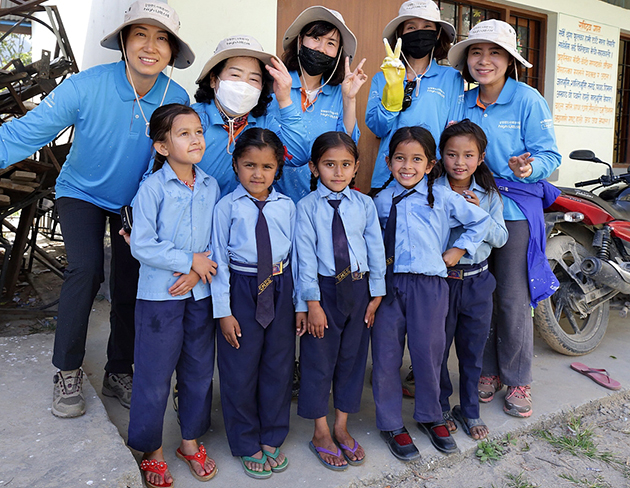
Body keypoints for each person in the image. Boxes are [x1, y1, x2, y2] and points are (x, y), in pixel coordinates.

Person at [0, 0, 193, 418]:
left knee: (132, 280)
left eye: (162, 38)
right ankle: (67, 369)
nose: (150, 46)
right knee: (85, 270)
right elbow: (26, 133)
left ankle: (119, 370)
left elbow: (173, 162)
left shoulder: (176, 99)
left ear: (172, 51)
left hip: (134, 201)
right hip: (81, 192)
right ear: (123, 41)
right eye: (140, 34)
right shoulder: (86, 86)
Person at [448, 19, 562, 418]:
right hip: (471, 209)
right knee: (480, 294)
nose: (484, 61)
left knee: (512, 298)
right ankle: (488, 372)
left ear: (509, 60)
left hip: (513, 211)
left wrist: (527, 168)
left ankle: (518, 379)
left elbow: (550, 155)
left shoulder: (528, 99)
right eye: (477, 52)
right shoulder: (462, 102)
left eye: (494, 53)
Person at [372, 126, 491, 461]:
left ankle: (430, 415)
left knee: (428, 354)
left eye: (416, 159)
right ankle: (391, 423)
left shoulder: (443, 197)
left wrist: (458, 250)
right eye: (400, 158)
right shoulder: (379, 201)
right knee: (386, 356)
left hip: (430, 286)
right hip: (389, 285)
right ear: (388, 161)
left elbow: (480, 222)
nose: (407, 166)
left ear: (430, 165)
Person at [128, 104, 218, 488]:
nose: (195, 139)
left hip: (200, 293)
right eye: (184, 134)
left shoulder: (211, 186)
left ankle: (189, 442)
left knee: (198, 372)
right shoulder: (152, 189)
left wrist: (197, 270)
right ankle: (152, 450)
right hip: (158, 297)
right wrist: (187, 261)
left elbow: (216, 240)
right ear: (162, 147)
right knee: (154, 376)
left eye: (198, 131)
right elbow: (142, 245)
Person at [294, 132, 385, 469]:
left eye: (346, 164)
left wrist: (376, 294)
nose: (338, 172)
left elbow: (375, 249)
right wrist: (311, 304)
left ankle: (341, 426)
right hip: (324, 291)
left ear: (356, 167)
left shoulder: (364, 205)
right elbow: (304, 258)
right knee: (318, 360)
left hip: (359, 290)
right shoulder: (305, 207)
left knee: (353, 359)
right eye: (329, 164)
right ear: (314, 167)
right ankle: (320, 431)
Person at [211, 128, 296, 479]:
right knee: (239, 369)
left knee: (279, 365)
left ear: (278, 169)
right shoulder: (226, 208)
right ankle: (246, 440)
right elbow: (218, 260)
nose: (258, 174)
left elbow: (297, 255)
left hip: (279, 285)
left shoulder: (287, 207)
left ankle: (272, 434)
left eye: (267, 167)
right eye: (249, 165)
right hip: (241, 288)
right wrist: (223, 311)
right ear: (235, 165)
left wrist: (300, 303)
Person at [435, 120, 508, 440]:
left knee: (471, 352)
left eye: (468, 155)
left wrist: (481, 215)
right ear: (441, 155)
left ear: (480, 158)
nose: (459, 162)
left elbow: (501, 238)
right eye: (452, 154)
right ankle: (439, 406)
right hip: (442, 282)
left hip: (477, 282)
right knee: (437, 349)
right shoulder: (431, 191)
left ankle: (469, 409)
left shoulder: (488, 195)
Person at [366, 0, 463, 191]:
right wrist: (391, 96)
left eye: (427, 27)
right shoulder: (382, 77)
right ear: (400, 35)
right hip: (387, 179)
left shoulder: (452, 78)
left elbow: (454, 132)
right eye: (411, 27)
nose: (419, 33)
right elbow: (378, 128)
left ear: (437, 34)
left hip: (433, 179)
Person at [193, 35, 308, 195]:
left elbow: (297, 156)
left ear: (262, 86)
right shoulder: (194, 118)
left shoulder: (264, 123)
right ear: (213, 79)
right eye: (235, 75)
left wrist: (285, 99)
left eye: (254, 79)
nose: (244, 85)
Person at [273, 6, 367, 202]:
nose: (321, 48)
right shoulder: (277, 84)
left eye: (331, 43)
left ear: (338, 53)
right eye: (316, 38)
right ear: (300, 41)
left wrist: (349, 100)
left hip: (322, 202)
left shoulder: (339, 92)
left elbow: (347, 145)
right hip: (274, 199)